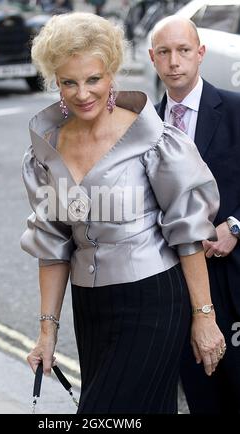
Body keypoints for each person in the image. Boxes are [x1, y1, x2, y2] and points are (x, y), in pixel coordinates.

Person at [20, 12, 225, 414]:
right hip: (90, 308)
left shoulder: (152, 139)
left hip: (152, 299)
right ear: (54, 81)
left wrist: (204, 317)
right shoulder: (45, 148)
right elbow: (52, 243)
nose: (82, 94)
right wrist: (47, 332)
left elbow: (187, 233)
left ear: (112, 72)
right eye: (68, 82)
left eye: (93, 79)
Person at [149, 15, 240, 414]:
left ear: (200, 53)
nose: (175, 62)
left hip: (233, 276)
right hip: (179, 286)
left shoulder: (236, 110)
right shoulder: (145, 125)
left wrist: (235, 226)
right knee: (201, 399)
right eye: (165, 53)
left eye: (184, 51)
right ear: (152, 59)